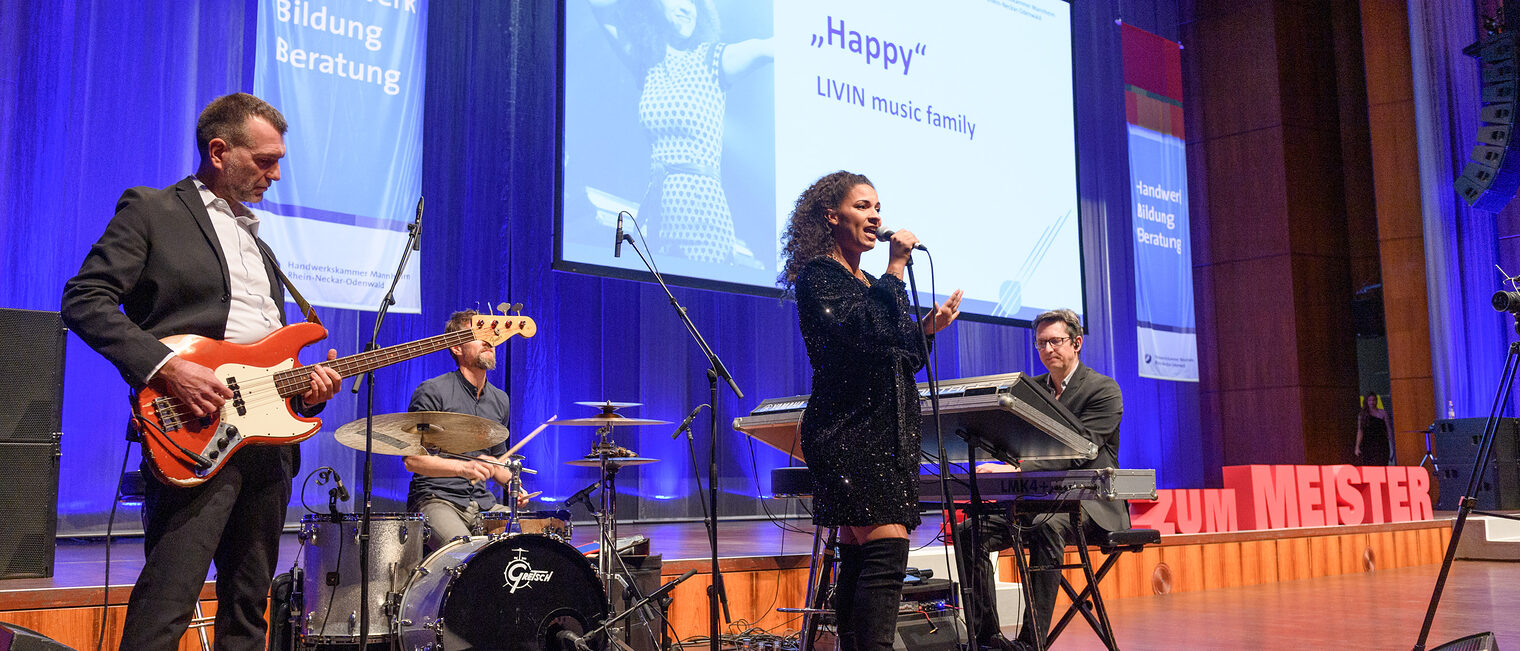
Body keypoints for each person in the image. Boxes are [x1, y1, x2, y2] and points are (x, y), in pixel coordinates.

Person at [60, 93, 343, 650]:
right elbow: (84, 299)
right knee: (168, 601)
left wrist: (308, 395)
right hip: (193, 428)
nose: (276, 174)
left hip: (267, 447)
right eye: (265, 160)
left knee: (248, 608)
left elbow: (270, 360)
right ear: (219, 151)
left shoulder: (261, 248)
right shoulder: (152, 210)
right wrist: (166, 369)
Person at [778, 170, 962, 650]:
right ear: (831, 216)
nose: (876, 215)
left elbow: (898, 356)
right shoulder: (821, 276)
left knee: (862, 565)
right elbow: (865, 332)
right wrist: (896, 266)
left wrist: (926, 330)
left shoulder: (866, 281)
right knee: (886, 554)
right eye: (863, 206)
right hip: (849, 434)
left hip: (885, 436)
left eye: (877, 206)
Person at [953, 309, 1125, 650]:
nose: (1047, 349)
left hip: (1091, 505)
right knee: (968, 533)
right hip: (1036, 501)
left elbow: (1083, 449)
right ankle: (987, 638)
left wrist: (1020, 469)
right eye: (1041, 343)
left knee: (1047, 526)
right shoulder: (1031, 390)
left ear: (1076, 343)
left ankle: (1031, 644)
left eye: (1055, 341)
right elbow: (1012, 444)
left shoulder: (1103, 389)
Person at [588, 0, 773, 264]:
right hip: (659, 212)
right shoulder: (648, 64)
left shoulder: (713, 59)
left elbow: (767, 47)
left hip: (703, 216)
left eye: (694, 2)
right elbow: (599, 7)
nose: (688, 8)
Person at [404, 309, 528, 550]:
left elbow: (497, 463)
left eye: (492, 335)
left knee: (534, 540)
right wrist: (464, 467)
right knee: (467, 552)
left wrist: (513, 485)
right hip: (438, 500)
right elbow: (412, 461)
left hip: (482, 504)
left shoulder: (500, 399)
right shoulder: (432, 391)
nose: (489, 341)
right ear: (456, 348)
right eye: (477, 335)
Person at [1355, 391, 1393, 465]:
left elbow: (1389, 429)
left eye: (1374, 400)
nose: (1372, 402)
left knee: (1382, 464)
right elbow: (1360, 431)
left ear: (1376, 401)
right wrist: (1357, 447)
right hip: (1368, 445)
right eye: (1370, 400)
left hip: (1381, 444)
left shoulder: (1383, 413)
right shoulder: (1362, 415)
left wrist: (1392, 446)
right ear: (1366, 401)